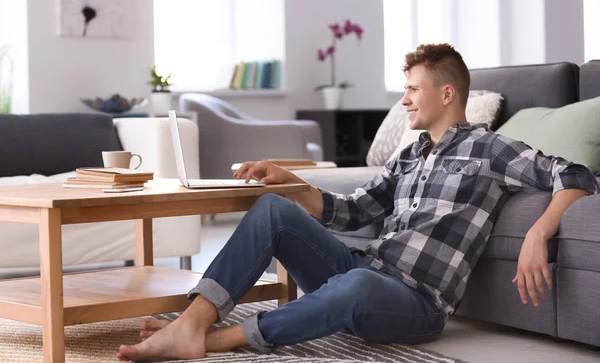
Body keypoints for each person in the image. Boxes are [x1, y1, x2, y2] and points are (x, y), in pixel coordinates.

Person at [116, 43, 598, 361]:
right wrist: (293, 183)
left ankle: (214, 341)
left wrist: (539, 231)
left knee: (356, 288)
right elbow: (355, 210)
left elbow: (573, 174)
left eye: (412, 89)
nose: (405, 100)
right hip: (363, 270)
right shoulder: (410, 156)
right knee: (272, 209)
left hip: (416, 303)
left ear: (446, 92)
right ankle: (193, 322)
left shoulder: (490, 149)